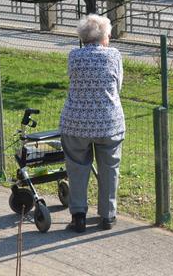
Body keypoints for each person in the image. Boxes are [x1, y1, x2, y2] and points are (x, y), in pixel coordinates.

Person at [59, 14, 125, 232]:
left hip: (76, 123)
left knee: (77, 169)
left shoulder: (74, 56)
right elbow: (118, 86)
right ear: (104, 37)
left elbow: (72, 79)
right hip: (108, 123)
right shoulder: (114, 55)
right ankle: (107, 216)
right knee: (110, 168)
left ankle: (78, 217)